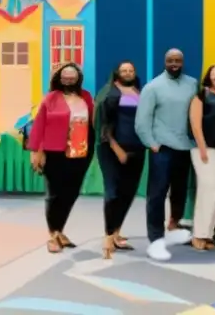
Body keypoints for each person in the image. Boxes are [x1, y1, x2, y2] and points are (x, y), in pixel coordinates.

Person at [134, 48, 198, 262]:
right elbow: (142, 120)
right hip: (162, 149)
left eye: (178, 60)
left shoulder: (192, 84)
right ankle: (155, 237)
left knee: (180, 191)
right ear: (164, 62)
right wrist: (151, 144)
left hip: (186, 147)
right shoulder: (153, 87)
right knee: (157, 194)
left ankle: (174, 224)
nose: (174, 64)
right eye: (170, 60)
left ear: (183, 62)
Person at [29, 62, 95, 254]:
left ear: (78, 78)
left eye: (72, 75)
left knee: (71, 193)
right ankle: (53, 234)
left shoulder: (86, 97)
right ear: (58, 78)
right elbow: (38, 126)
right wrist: (36, 151)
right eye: (65, 75)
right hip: (54, 152)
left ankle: (60, 230)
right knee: (54, 194)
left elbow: (94, 121)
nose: (69, 78)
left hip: (81, 152)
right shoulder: (50, 98)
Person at [96, 61, 145, 258]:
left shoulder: (137, 91)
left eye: (131, 70)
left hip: (136, 149)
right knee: (113, 192)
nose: (127, 72)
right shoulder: (109, 93)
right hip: (112, 150)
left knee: (128, 192)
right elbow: (104, 125)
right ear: (117, 72)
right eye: (124, 70)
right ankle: (108, 235)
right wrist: (117, 149)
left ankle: (116, 232)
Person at [188, 65, 215, 251]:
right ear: (208, 77)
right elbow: (195, 122)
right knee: (207, 190)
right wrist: (202, 147)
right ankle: (198, 234)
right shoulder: (201, 96)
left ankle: (208, 233)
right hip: (204, 150)